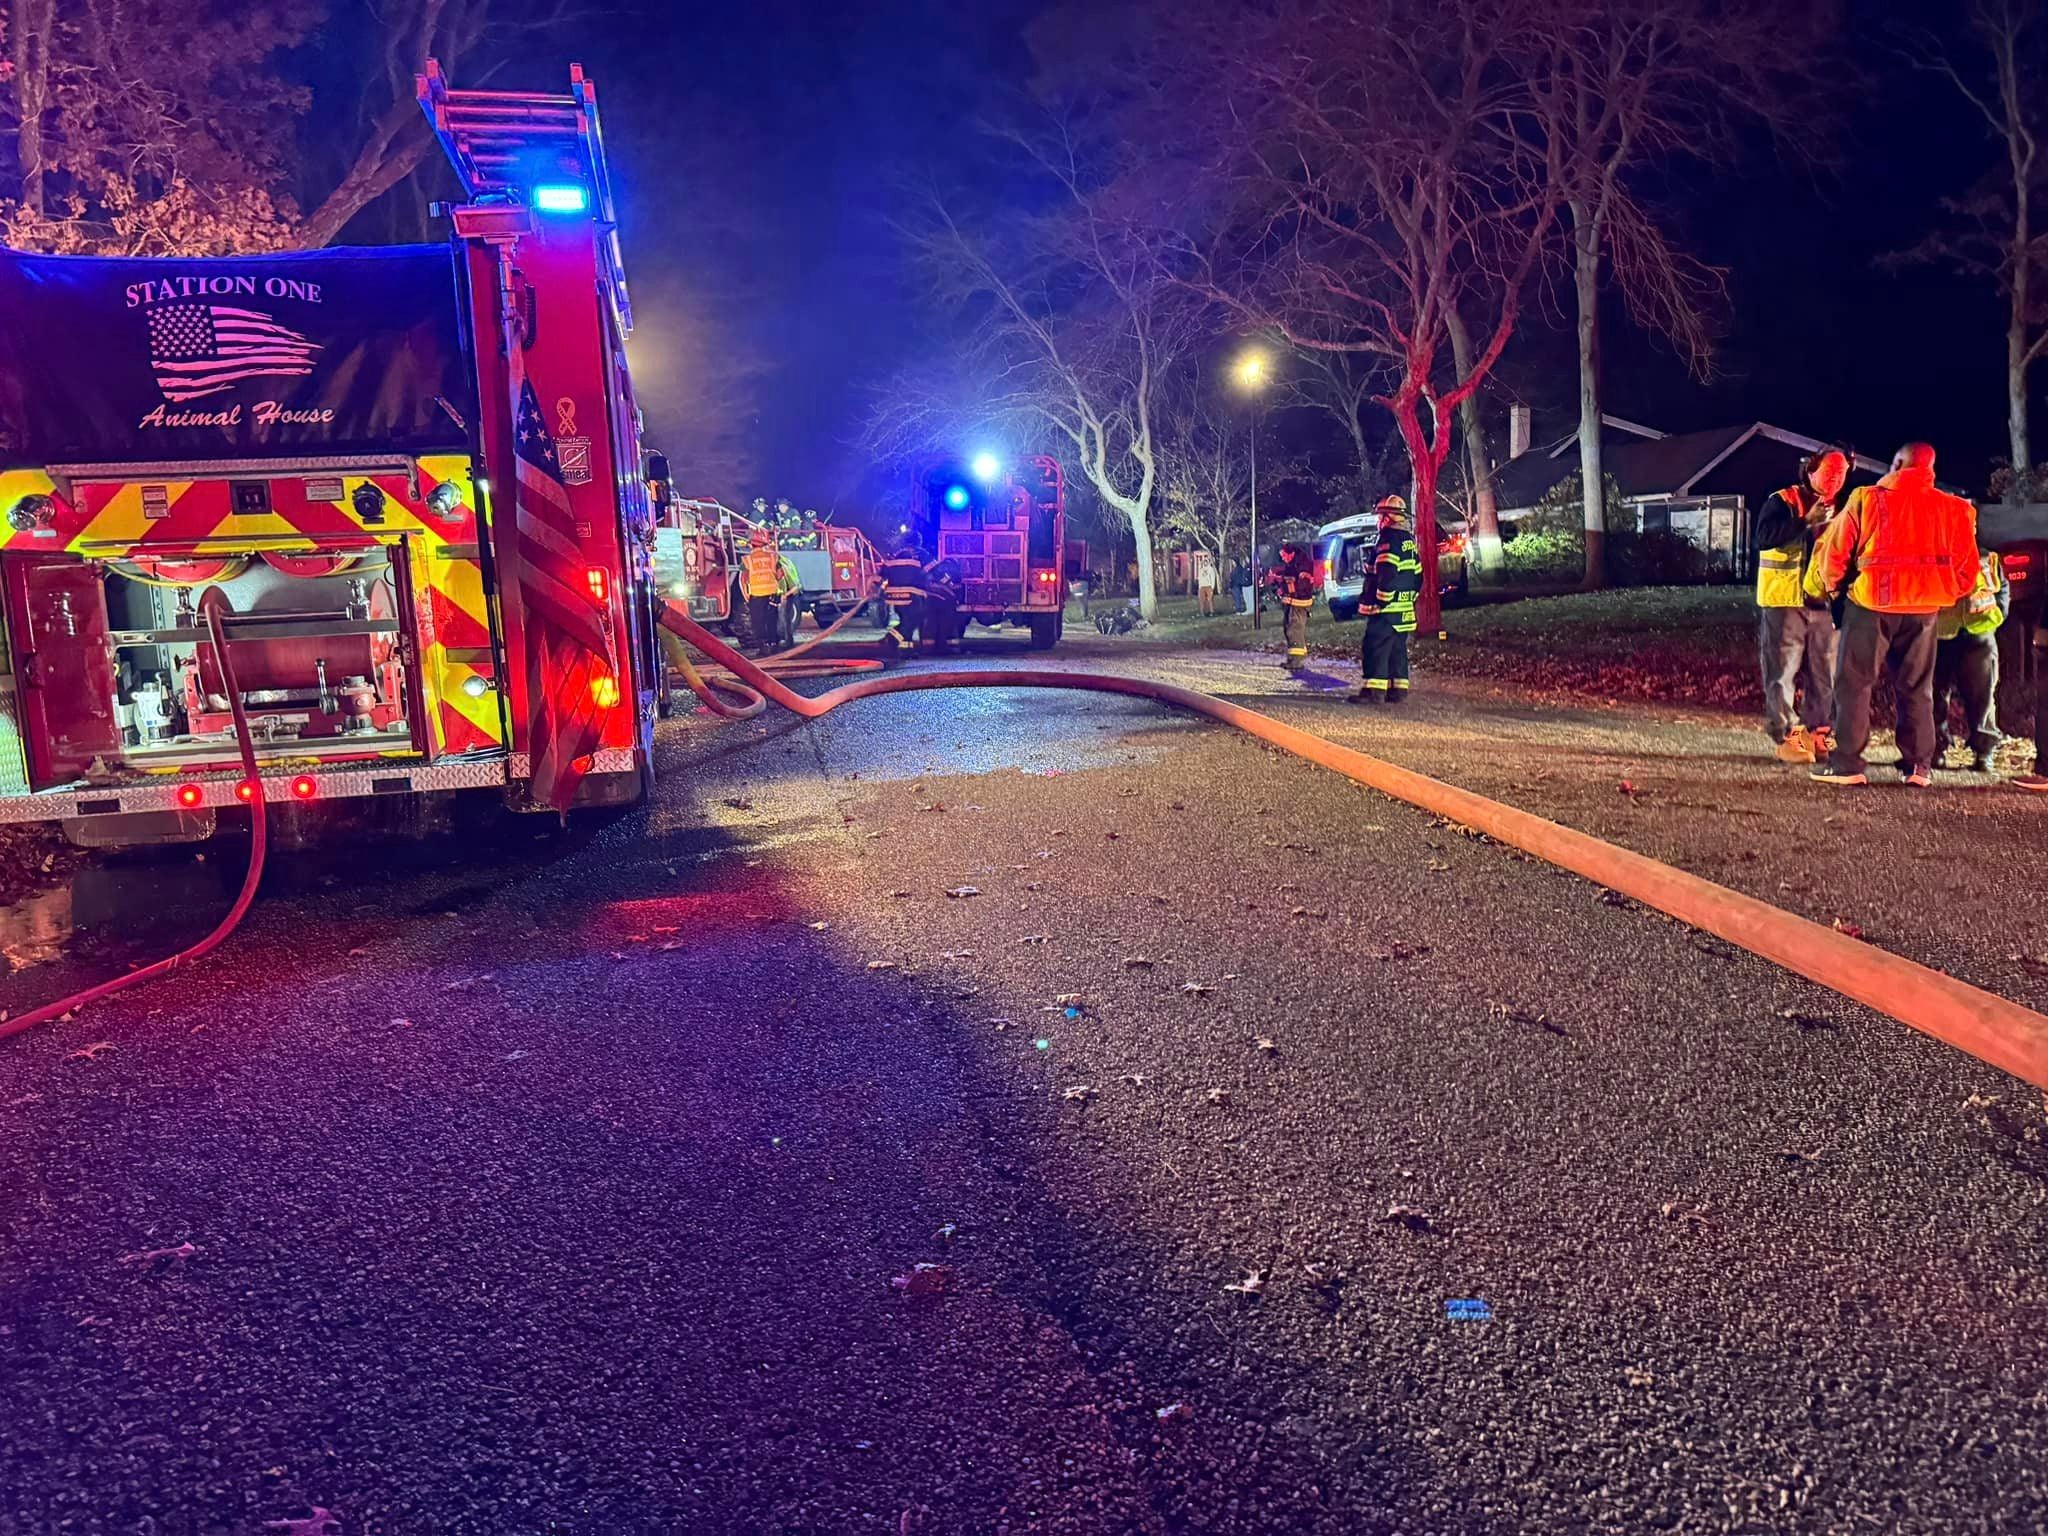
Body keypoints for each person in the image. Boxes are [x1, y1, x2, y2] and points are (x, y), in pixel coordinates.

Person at [1804, 442, 1981, 787]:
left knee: (1854, 683)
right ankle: (1918, 767)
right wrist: (1939, 592)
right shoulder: (1955, 509)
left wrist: (1836, 590)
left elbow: (1835, 554)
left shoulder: (1866, 499)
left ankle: (1847, 765)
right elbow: (1968, 571)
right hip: (1925, 610)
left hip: (1871, 605)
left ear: (1898, 463)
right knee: (1917, 687)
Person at [1754, 448, 1848, 763]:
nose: (1837, 478)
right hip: (1784, 601)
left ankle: (1818, 735)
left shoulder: (1843, 509)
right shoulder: (1782, 501)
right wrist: (1805, 522)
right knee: (1782, 673)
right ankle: (1786, 737)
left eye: (1842, 472)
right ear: (1810, 472)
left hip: (1823, 605)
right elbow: (1764, 537)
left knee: (1825, 674)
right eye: (1830, 471)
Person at [1932, 546, 2008, 772]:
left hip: (1977, 636)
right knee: (1934, 696)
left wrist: (1996, 618)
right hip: (1941, 634)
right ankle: (1936, 750)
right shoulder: (1935, 553)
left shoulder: (1988, 557)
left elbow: (2002, 590)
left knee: (1982, 698)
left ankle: (1984, 754)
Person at [1353, 495, 1422, 704]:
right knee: (1397, 648)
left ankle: (1374, 691)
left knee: (1375, 645)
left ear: (1387, 518)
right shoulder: (1408, 540)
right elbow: (1418, 574)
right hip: (1404, 609)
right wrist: (1410, 598)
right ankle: (1398, 690)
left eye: (1380, 516)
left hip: (1386, 609)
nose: (1378, 521)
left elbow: (1387, 573)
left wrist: (1381, 601)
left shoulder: (1387, 540)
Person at [1265, 542, 1318, 671]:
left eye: (1284, 555)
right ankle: (1293, 658)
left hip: (1299, 603)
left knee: (1295, 630)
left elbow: (1301, 585)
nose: (1282, 558)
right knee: (1288, 629)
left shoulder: (1303, 565)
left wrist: (1287, 587)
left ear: (1291, 553)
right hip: (1292, 602)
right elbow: (1289, 580)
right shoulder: (1293, 564)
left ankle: (1297, 661)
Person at [741, 527, 785, 653]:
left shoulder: (746, 560)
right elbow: (780, 575)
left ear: (751, 545)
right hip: (772, 594)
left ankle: (763, 646)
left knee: (758, 621)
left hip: (756, 595)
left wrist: (746, 595)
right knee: (772, 618)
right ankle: (774, 643)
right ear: (765, 544)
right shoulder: (773, 557)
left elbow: (743, 580)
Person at [880, 541, 928, 651]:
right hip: (911, 597)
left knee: (906, 620)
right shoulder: (916, 562)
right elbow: (923, 578)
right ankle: (891, 637)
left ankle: (906, 650)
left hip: (895, 599)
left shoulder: (890, 562)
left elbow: (881, 577)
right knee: (913, 620)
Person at [922, 551, 962, 652]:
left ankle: (929, 646)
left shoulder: (931, 566)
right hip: (945, 599)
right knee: (946, 622)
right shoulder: (950, 570)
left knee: (931, 622)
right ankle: (946, 646)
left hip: (931, 598)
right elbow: (952, 585)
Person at [1195, 549, 1219, 616]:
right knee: (1202, 600)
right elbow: (1200, 578)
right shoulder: (1201, 569)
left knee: (1210, 600)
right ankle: (1202, 612)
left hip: (1208, 586)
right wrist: (1199, 587)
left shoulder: (1210, 569)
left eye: (1206, 561)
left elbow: (1212, 578)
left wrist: (1212, 586)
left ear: (1208, 562)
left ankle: (1212, 612)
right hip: (1202, 586)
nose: (1205, 563)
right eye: (1204, 561)